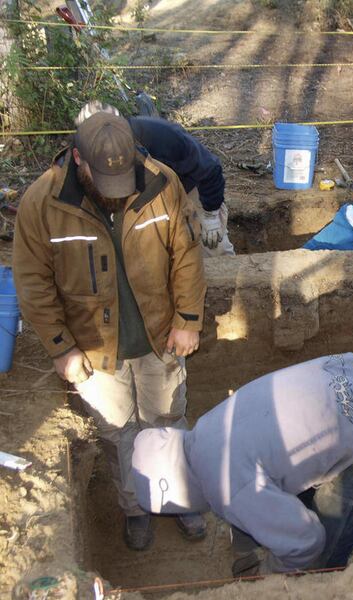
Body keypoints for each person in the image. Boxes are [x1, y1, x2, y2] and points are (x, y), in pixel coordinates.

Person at [13, 112, 208, 550]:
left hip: (158, 337)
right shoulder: (42, 204)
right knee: (119, 431)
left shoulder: (162, 184)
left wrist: (188, 320)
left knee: (168, 419)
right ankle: (135, 507)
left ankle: (178, 499)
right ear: (78, 159)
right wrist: (61, 347)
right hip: (94, 347)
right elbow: (33, 283)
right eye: (105, 179)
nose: (116, 190)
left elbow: (188, 256)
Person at [131, 353, 353, 576]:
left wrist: (269, 576)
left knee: (320, 564)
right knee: (293, 498)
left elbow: (307, 542)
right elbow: (245, 481)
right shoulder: (205, 430)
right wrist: (247, 539)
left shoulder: (230, 488)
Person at [75, 101, 235, 257]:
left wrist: (210, 215)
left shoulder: (163, 137)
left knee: (214, 248)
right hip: (141, 199)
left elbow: (210, 169)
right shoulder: (82, 157)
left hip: (189, 188)